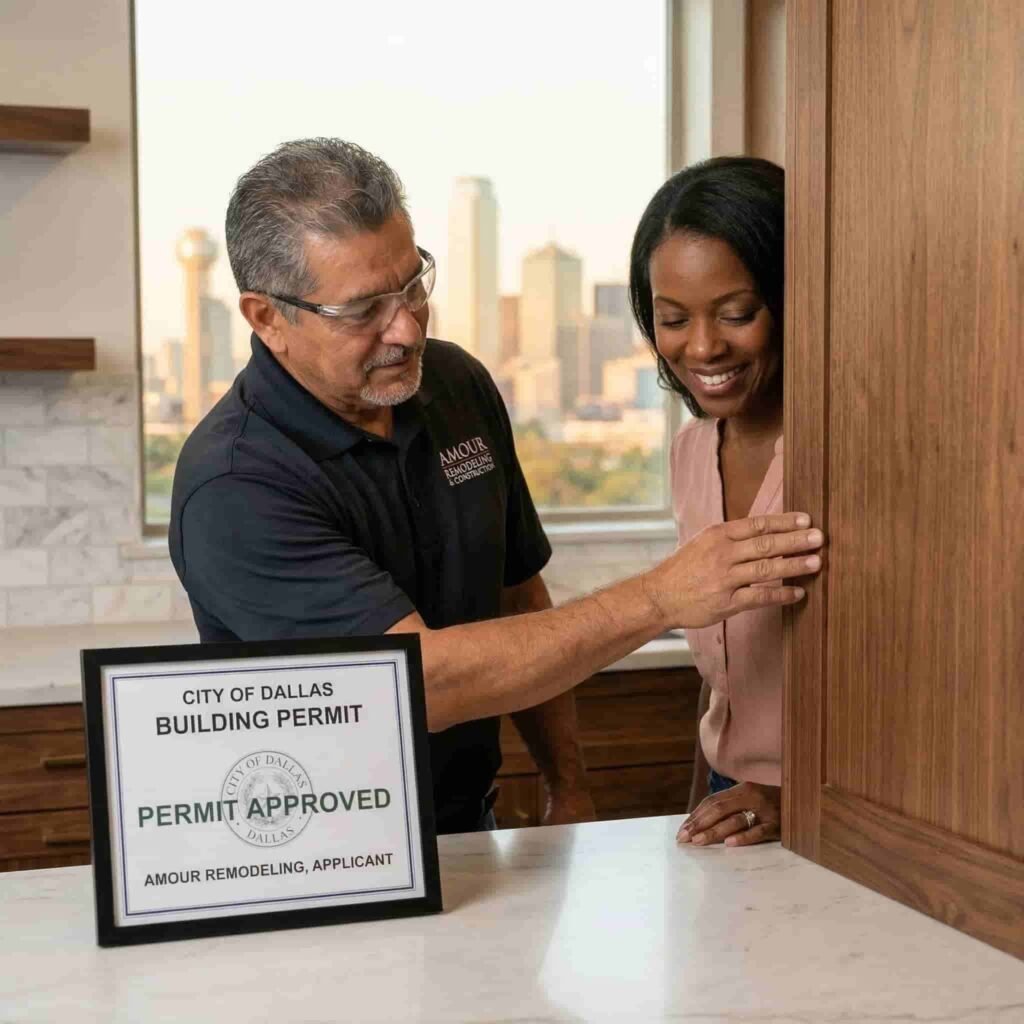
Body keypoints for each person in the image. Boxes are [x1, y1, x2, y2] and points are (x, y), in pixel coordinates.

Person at [169, 139, 823, 836]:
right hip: (316, 845)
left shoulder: (453, 385)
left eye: (413, 284)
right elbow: (416, 683)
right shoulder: (234, 486)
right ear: (268, 318)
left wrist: (565, 786)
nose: (408, 327)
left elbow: (517, 593)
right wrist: (661, 596)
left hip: (465, 822)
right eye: (364, 310)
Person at [629, 156, 792, 847]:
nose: (701, 346)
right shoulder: (690, 452)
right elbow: (725, 681)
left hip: (838, 810)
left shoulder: (856, 454)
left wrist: (798, 796)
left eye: (736, 313)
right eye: (672, 319)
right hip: (733, 805)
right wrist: (700, 802)